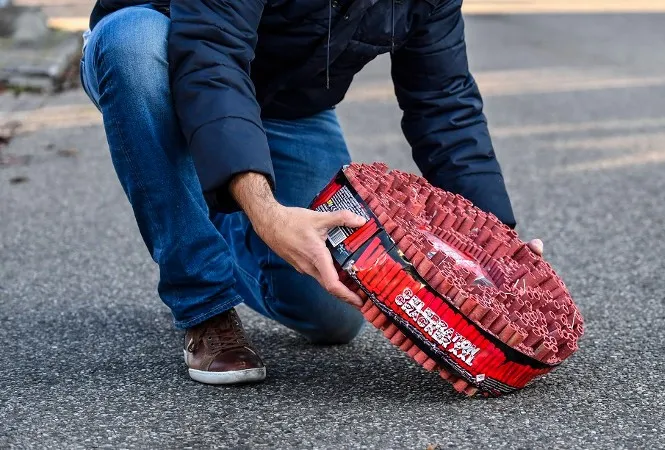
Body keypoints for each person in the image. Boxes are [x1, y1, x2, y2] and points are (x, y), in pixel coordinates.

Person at [80, 0, 544, 385]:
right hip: (173, 52)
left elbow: (444, 102)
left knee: (331, 315)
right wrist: (266, 213)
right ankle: (203, 302)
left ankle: (216, 207)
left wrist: (494, 248)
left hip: (286, 104)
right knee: (132, 46)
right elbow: (211, 57)